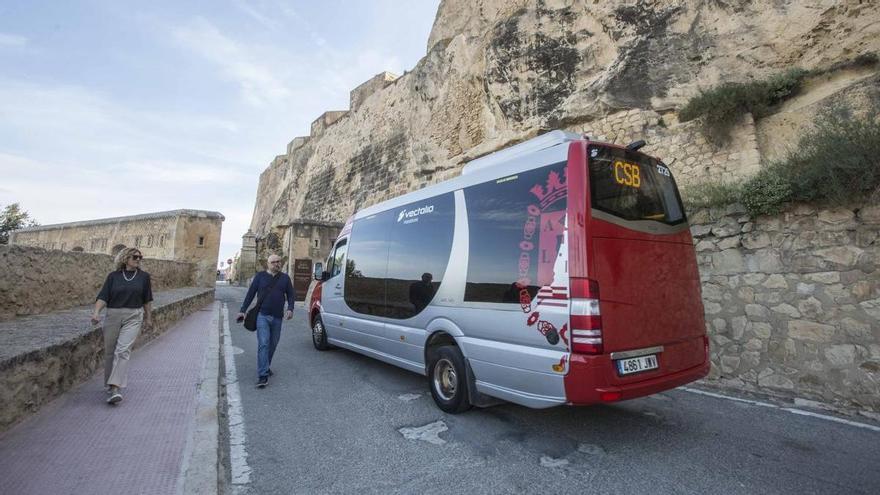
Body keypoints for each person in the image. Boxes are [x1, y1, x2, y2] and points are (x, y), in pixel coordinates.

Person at [91, 247, 153, 405]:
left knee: (123, 350)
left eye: (140, 257)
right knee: (110, 353)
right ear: (125, 258)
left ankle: (115, 387)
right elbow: (104, 296)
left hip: (134, 316)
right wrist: (97, 312)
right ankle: (110, 386)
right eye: (135, 257)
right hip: (113, 315)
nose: (138, 259)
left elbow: (147, 299)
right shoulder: (113, 277)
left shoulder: (144, 277)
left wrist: (148, 318)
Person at [237, 254, 295, 388]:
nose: (277, 264)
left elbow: (291, 295)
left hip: (278, 317)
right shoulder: (260, 277)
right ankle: (263, 375)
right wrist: (242, 310)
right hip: (262, 315)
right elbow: (250, 294)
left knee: (273, 344)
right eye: (273, 262)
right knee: (263, 343)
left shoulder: (285, 278)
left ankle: (265, 365)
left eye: (278, 261)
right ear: (268, 264)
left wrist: (290, 308)